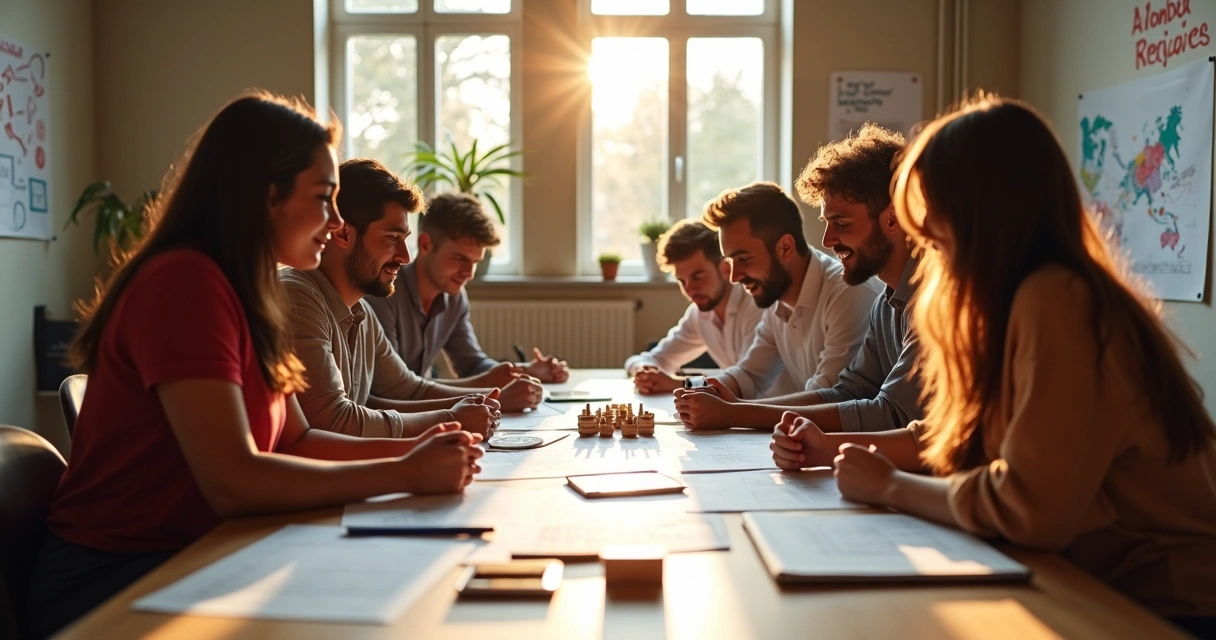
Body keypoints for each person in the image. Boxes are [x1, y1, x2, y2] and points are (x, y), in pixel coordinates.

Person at [25, 93, 482, 639]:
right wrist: (405, 471)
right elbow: (233, 481)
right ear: (268, 198)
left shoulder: (252, 288)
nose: (335, 220)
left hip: (206, 549)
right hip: (117, 581)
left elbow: (300, 440)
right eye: (323, 198)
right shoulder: (186, 282)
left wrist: (419, 452)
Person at [771, 96, 1216, 633]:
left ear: (980, 210)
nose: (924, 238)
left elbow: (1031, 512)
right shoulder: (1013, 298)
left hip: (1165, 605)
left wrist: (890, 487)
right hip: (1094, 581)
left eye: (929, 215)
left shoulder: (1057, 298)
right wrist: (839, 449)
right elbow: (961, 438)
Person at [677, 125, 923, 433]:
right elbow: (849, 393)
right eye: (826, 223)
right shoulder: (884, 304)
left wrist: (736, 414)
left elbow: (893, 414)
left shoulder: (916, 299)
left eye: (841, 224)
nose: (827, 240)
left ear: (891, 219)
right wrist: (730, 407)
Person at [281, 159, 543, 439]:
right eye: (392, 238)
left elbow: (410, 388)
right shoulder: (298, 296)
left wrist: (483, 402)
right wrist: (451, 419)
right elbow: (334, 421)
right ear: (343, 232)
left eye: (405, 238)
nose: (405, 257)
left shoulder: (363, 313)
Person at [673, 181, 877, 422]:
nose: (734, 277)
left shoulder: (848, 291)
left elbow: (832, 398)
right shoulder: (776, 299)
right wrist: (704, 390)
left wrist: (731, 412)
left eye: (744, 259)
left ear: (785, 247)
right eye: (730, 261)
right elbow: (750, 374)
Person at [366, 192, 569, 386]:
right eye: (459, 258)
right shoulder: (385, 294)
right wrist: (484, 388)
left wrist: (527, 371)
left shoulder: (454, 297)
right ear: (425, 244)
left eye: (474, 262)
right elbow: (395, 386)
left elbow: (472, 365)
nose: (468, 273)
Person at [624, 219, 765, 395]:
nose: (690, 290)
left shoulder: (756, 306)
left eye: (698, 277)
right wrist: (644, 373)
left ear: (725, 269)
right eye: (682, 281)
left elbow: (745, 381)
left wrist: (678, 384)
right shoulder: (700, 314)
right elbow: (651, 359)